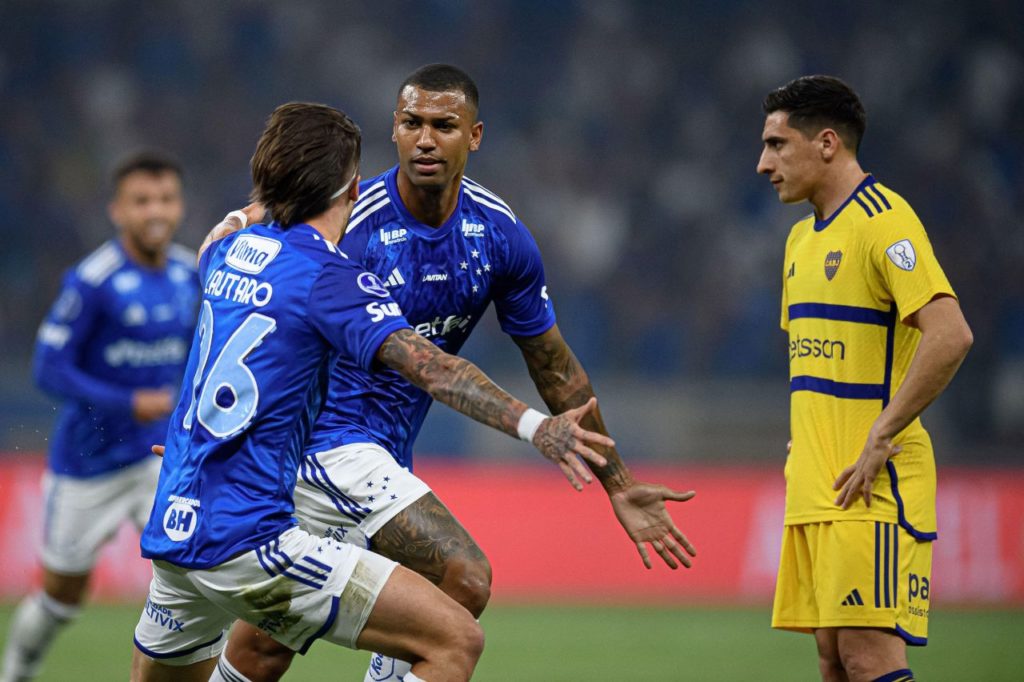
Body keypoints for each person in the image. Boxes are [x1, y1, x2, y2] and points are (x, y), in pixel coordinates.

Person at [212, 63, 698, 682]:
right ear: (393, 128)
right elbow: (256, 298)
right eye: (411, 123)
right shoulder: (349, 224)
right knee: (460, 578)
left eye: (444, 125)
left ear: (474, 136)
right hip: (322, 443)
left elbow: (553, 365)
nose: (424, 138)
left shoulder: (498, 236)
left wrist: (619, 482)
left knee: (265, 648)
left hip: (382, 456)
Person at [131, 101, 614, 682]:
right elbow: (433, 369)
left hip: (175, 524)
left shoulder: (224, 254)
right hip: (247, 539)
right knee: (455, 641)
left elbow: (226, 245)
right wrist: (539, 426)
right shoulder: (330, 278)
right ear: (353, 188)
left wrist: (251, 210)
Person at [757, 75, 973, 682]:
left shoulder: (885, 221)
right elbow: (817, 360)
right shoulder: (800, 239)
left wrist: (881, 434)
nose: (762, 164)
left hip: (871, 484)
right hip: (817, 483)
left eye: (777, 145)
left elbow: (950, 334)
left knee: (867, 655)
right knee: (832, 660)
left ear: (827, 143)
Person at [1, 152, 200, 682]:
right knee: (62, 595)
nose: (155, 211)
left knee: (196, 570)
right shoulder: (93, 280)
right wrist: (127, 401)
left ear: (179, 205)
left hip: (159, 456)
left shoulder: (188, 274)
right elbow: (49, 368)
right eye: (142, 201)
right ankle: (16, 671)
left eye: (165, 199)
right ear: (118, 210)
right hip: (88, 463)